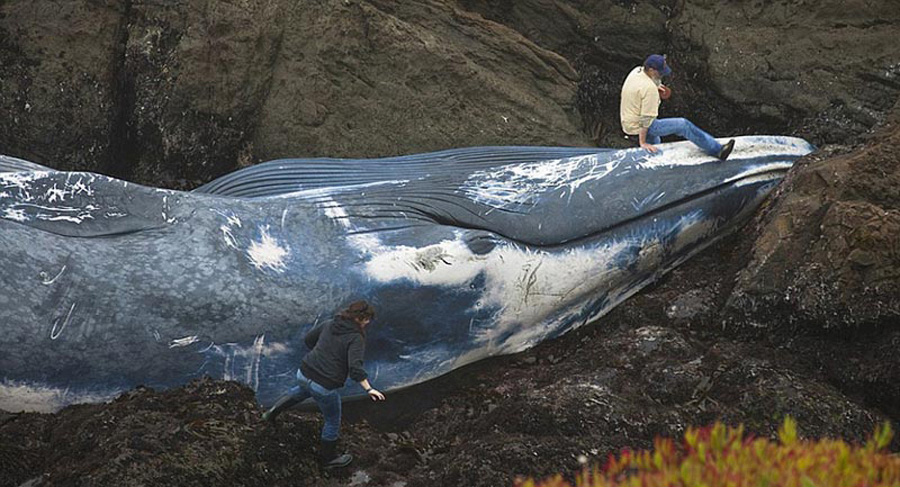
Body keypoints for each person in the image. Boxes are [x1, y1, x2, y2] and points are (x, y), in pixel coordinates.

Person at [262, 300, 386, 468]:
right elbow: (355, 368)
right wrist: (369, 389)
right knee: (332, 420)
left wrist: (323, 354)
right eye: (367, 319)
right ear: (359, 318)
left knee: (301, 390)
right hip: (324, 385)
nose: (368, 322)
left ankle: (269, 414)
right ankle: (328, 460)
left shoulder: (329, 323)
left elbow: (308, 340)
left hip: (304, 372)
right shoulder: (356, 338)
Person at [620, 54, 735, 160]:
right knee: (683, 125)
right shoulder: (649, 89)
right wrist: (643, 143)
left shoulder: (637, 71)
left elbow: (641, 89)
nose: (662, 75)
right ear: (651, 70)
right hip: (639, 125)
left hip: (627, 119)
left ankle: (653, 158)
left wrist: (657, 86)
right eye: (660, 73)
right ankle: (718, 150)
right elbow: (645, 120)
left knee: (655, 141)